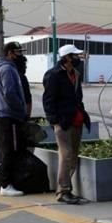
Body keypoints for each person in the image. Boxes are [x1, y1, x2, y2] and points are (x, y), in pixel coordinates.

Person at [43, 44, 90, 204]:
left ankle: (65, 188)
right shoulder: (53, 75)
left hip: (76, 120)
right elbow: (48, 100)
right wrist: (54, 121)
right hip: (62, 122)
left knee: (73, 156)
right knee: (67, 154)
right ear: (67, 58)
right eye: (75, 56)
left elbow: (78, 97)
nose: (78, 58)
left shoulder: (75, 73)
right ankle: (63, 191)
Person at [0, 41, 29, 196]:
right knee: (10, 149)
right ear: (10, 53)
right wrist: (20, 109)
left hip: (7, 115)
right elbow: (10, 93)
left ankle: (8, 182)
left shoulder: (7, 68)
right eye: (18, 52)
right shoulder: (8, 69)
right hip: (10, 115)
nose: (20, 55)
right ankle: (6, 184)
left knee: (9, 148)